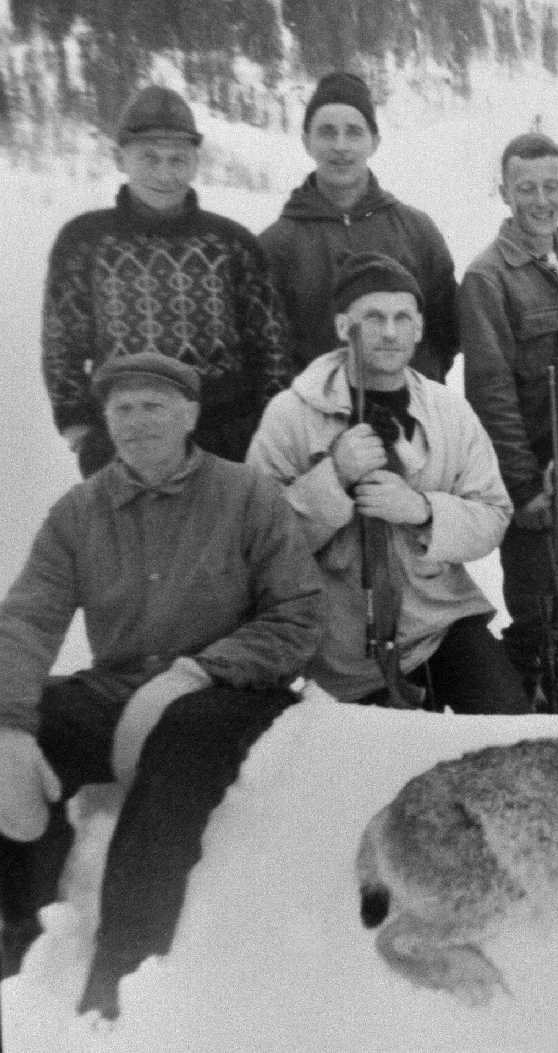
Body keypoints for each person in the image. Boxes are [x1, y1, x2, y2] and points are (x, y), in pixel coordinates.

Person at [0, 353, 322, 1018]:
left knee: (181, 741)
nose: (137, 420)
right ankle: (21, 945)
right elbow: (28, 618)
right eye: (122, 408)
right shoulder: (78, 512)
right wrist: (9, 719)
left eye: (154, 405)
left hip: (230, 688)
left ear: (191, 415)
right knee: (34, 726)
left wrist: (201, 668)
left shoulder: (246, 494)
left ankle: (123, 972)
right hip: (118, 686)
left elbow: (298, 615)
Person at [247, 252, 528, 714]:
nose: (391, 331)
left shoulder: (448, 411)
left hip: (441, 619)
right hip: (339, 648)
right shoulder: (290, 415)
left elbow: (494, 515)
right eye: (373, 317)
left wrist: (422, 511)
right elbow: (259, 545)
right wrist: (333, 477)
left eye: (403, 318)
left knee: (508, 724)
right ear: (343, 327)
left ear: (420, 328)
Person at [41, 85, 293, 476]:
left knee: (228, 536)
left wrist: (269, 422)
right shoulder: (84, 240)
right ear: (120, 157)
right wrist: (78, 425)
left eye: (178, 159)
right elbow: (63, 341)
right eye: (149, 157)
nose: (164, 172)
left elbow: (270, 341)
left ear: (195, 162)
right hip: (125, 435)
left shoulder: (232, 242)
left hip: (226, 433)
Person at [458, 132, 558, 688]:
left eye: (551, 186)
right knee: (537, 620)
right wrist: (526, 491)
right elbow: (490, 394)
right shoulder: (487, 279)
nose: (540, 200)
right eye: (526, 187)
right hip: (531, 485)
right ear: (504, 191)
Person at [259, 71, 458, 380]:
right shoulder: (276, 246)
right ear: (306, 141)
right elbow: (268, 354)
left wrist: (417, 383)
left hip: (408, 418)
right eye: (327, 132)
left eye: (353, 132)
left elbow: (447, 332)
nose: (341, 145)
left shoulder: (416, 231)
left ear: (374, 142)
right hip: (317, 420)